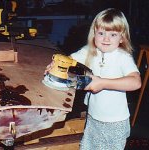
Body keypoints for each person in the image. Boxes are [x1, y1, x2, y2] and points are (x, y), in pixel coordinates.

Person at [45, 8, 141, 150]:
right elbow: (69, 60)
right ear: (94, 33)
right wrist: (55, 65)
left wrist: (102, 83)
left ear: (122, 38)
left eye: (113, 34)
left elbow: (136, 81)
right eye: (101, 33)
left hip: (115, 122)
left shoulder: (123, 57)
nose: (106, 39)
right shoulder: (89, 51)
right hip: (93, 117)